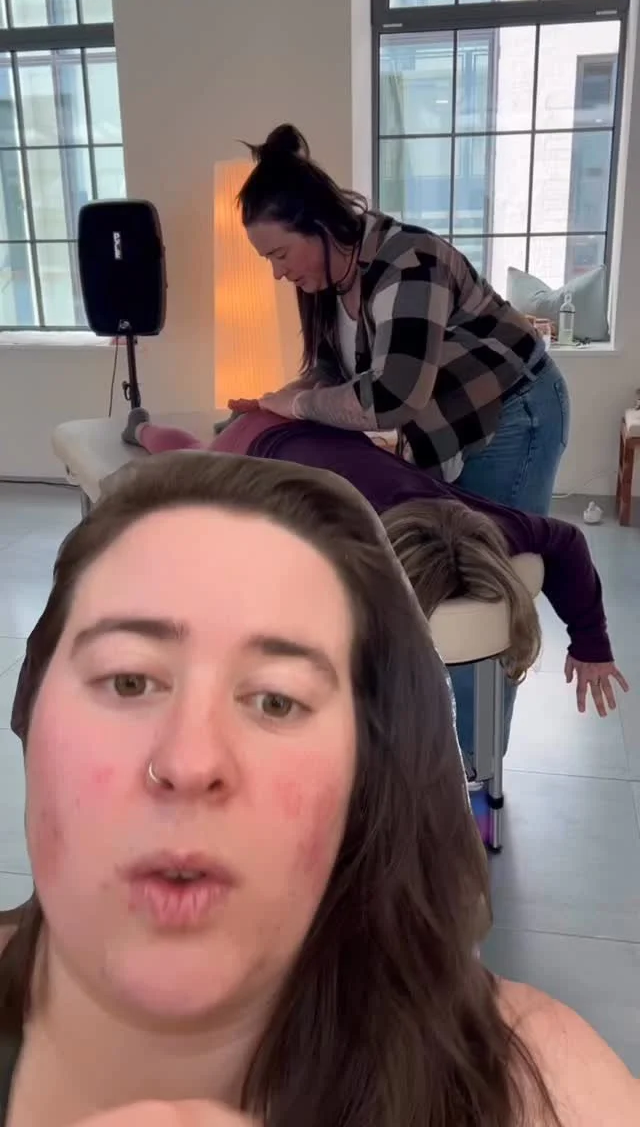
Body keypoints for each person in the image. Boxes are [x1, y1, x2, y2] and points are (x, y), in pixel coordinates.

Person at [0, 451, 636, 1127]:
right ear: (31, 710)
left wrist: (592, 642)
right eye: (130, 682)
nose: (188, 761)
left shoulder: (547, 1083)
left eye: (275, 701)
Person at [120, 408, 628, 759]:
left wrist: (591, 644)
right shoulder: (329, 536)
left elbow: (566, 541)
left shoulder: (480, 526)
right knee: (190, 455)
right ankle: (142, 428)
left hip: (327, 434)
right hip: (260, 443)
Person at [228, 123, 570, 519]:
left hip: (515, 405)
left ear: (318, 226)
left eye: (280, 254)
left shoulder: (410, 264)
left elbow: (393, 397)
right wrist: (272, 403)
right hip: (455, 414)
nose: (277, 273)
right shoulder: (327, 280)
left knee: (502, 548)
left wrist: (299, 404)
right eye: (268, 259)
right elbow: (330, 370)